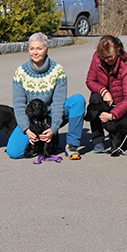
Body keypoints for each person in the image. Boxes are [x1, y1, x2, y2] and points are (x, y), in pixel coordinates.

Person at [6, 32, 86, 160]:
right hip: (32, 119)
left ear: (47, 49)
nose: (35, 52)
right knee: (14, 152)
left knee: (78, 100)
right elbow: (19, 105)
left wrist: (53, 128)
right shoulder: (20, 72)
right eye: (32, 49)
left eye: (39, 48)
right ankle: (35, 142)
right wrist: (27, 129)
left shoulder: (58, 71)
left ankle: (72, 145)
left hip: (51, 114)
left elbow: (58, 103)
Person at [85, 35, 127, 153]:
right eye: (103, 57)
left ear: (118, 51)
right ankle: (98, 140)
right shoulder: (97, 57)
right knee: (95, 100)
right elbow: (90, 80)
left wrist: (112, 115)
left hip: (125, 99)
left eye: (110, 57)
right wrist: (103, 91)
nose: (106, 60)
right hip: (106, 95)